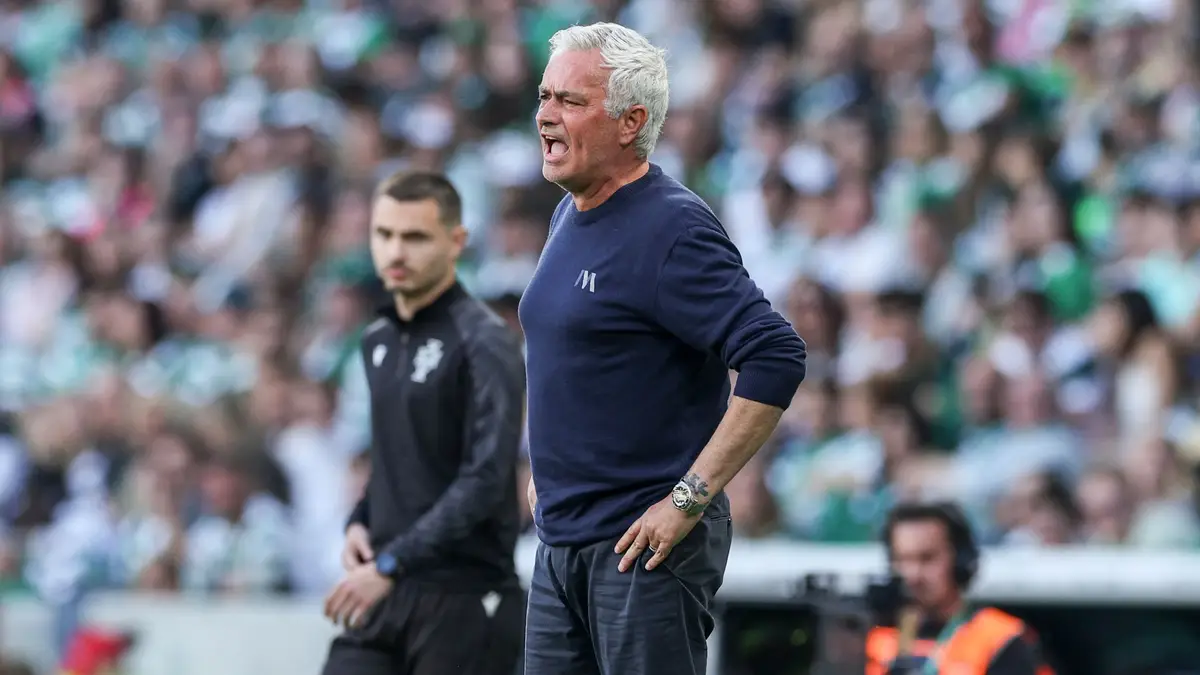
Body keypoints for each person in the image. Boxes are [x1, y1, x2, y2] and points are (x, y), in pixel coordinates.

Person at [519, 23, 808, 675]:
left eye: (570, 100)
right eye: (544, 96)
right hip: (561, 542)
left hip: (639, 548)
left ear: (632, 122)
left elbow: (774, 354)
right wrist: (549, 471)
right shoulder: (569, 213)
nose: (545, 116)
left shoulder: (671, 226)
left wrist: (687, 499)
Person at [320, 170, 527, 675]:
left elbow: (486, 479)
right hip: (388, 587)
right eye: (384, 234)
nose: (395, 252)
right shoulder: (378, 339)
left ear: (456, 242)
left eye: (415, 237)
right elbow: (397, 458)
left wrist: (393, 562)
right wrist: (361, 518)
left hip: (464, 595)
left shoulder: (486, 342)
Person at [866, 502, 1054, 675]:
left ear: (960, 560)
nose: (913, 575)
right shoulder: (876, 638)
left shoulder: (1000, 639)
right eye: (902, 560)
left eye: (927, 558)